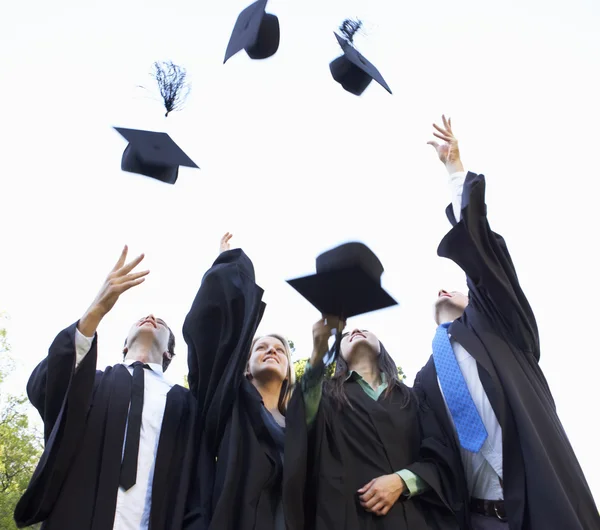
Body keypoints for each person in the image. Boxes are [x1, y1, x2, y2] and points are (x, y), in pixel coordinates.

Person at [414, 116, 600, 529]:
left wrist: (454, 174)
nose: (446, 292)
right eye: (438, 293)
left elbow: (485, 264)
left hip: (541, 501)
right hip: (480, 519)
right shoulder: (426, 379)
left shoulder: (499, 326)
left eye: (457, 289)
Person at [14, 246, 196, 530]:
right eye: (142, 319)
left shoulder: (185, 403)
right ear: (124, 345)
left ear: (170, 353)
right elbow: (45, 387)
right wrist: (96, 310)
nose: (151, 316)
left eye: (162, 323)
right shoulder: (92, 384)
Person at [284, 317, 462, 530]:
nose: (356, 330)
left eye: (365, 329)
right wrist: (319, 352)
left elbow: (441, 457)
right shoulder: (325, 396)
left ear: (381, 348)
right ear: (339, 355)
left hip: (414, 518)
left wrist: (402, 481)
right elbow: (301, 420)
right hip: (349, 519)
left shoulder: (413, 398)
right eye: (348, 334)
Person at [182, 233, 295, 530]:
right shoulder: (228, 406)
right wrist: (226, 271)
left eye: (280, 349)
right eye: (261, 347)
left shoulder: (303, 425)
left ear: (289, 371)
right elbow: (214, 333)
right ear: (245, 368)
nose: (272, 350)